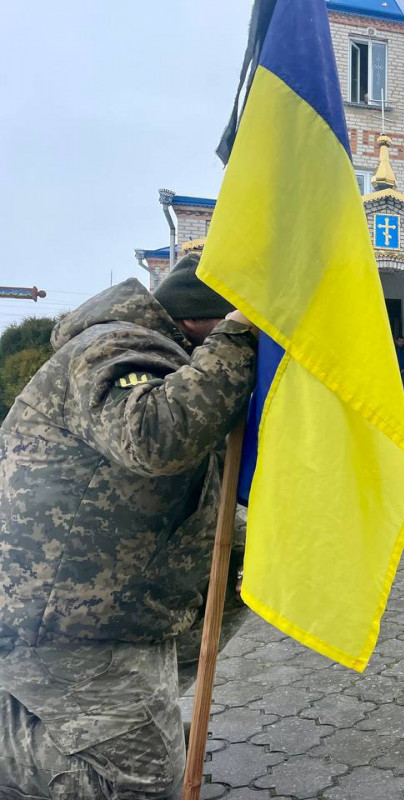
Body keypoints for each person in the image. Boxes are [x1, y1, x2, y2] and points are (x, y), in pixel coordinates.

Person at [0, 252, 257, 796]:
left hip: (117, 604)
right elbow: (152, 437)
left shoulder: (171, 353)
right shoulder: (115, 343)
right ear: (201, 319)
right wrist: (241, 337)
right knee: (137, 783)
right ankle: (53, 731)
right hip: (57, 615)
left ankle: (110, 725)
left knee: (243, 570)